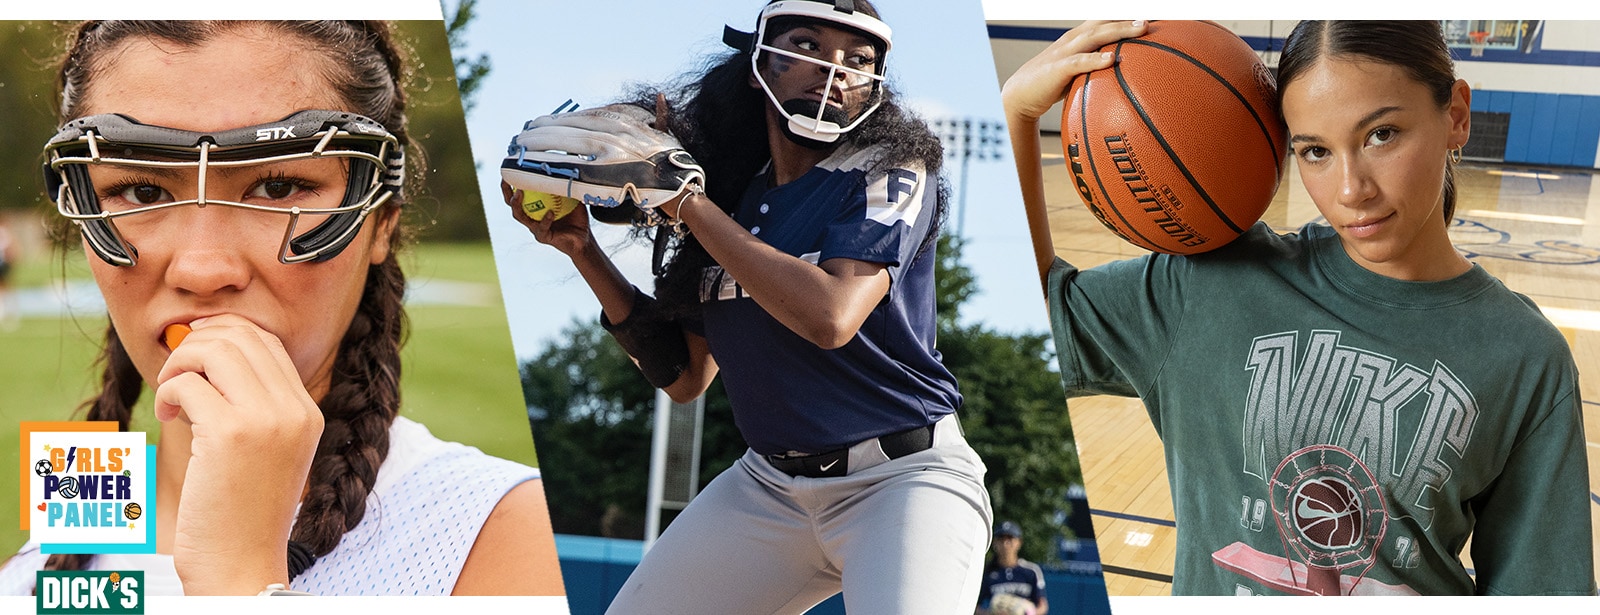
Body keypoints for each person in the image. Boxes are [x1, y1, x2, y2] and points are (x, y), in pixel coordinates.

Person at [1003, 20, 1595, 596]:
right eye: (1314, 150)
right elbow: (1025, 324)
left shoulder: (1524, 357)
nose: (1350, 188)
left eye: (1381, 135)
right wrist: (1016, 116)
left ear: (1456, 116)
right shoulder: (1208, 288)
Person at [0, 20, 561, 596]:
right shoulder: (80, 502)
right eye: (143, 191)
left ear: (382, 223)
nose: (202, 268)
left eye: (280, 187)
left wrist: (239, 581)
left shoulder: (499, 534)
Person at [503, 1, 991, 612]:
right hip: (769, 487)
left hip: (903, 481)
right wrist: (582, 250)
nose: (835, 68)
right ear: (760, 61)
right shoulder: (729, 192)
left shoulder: (888, 167)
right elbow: (684, 376)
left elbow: (831, 317)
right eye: (808, 45)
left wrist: (686, 204)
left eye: (858, 59)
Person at [976, 521, 1048, 615]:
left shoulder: (1031, 571)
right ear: (994, 543)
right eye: (1001, 539)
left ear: (1019, 542)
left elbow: (1043, 605)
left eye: (1010, 538)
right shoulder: (987, 572)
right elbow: (974, 606)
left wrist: (1029, 613)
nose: (1005, 544)